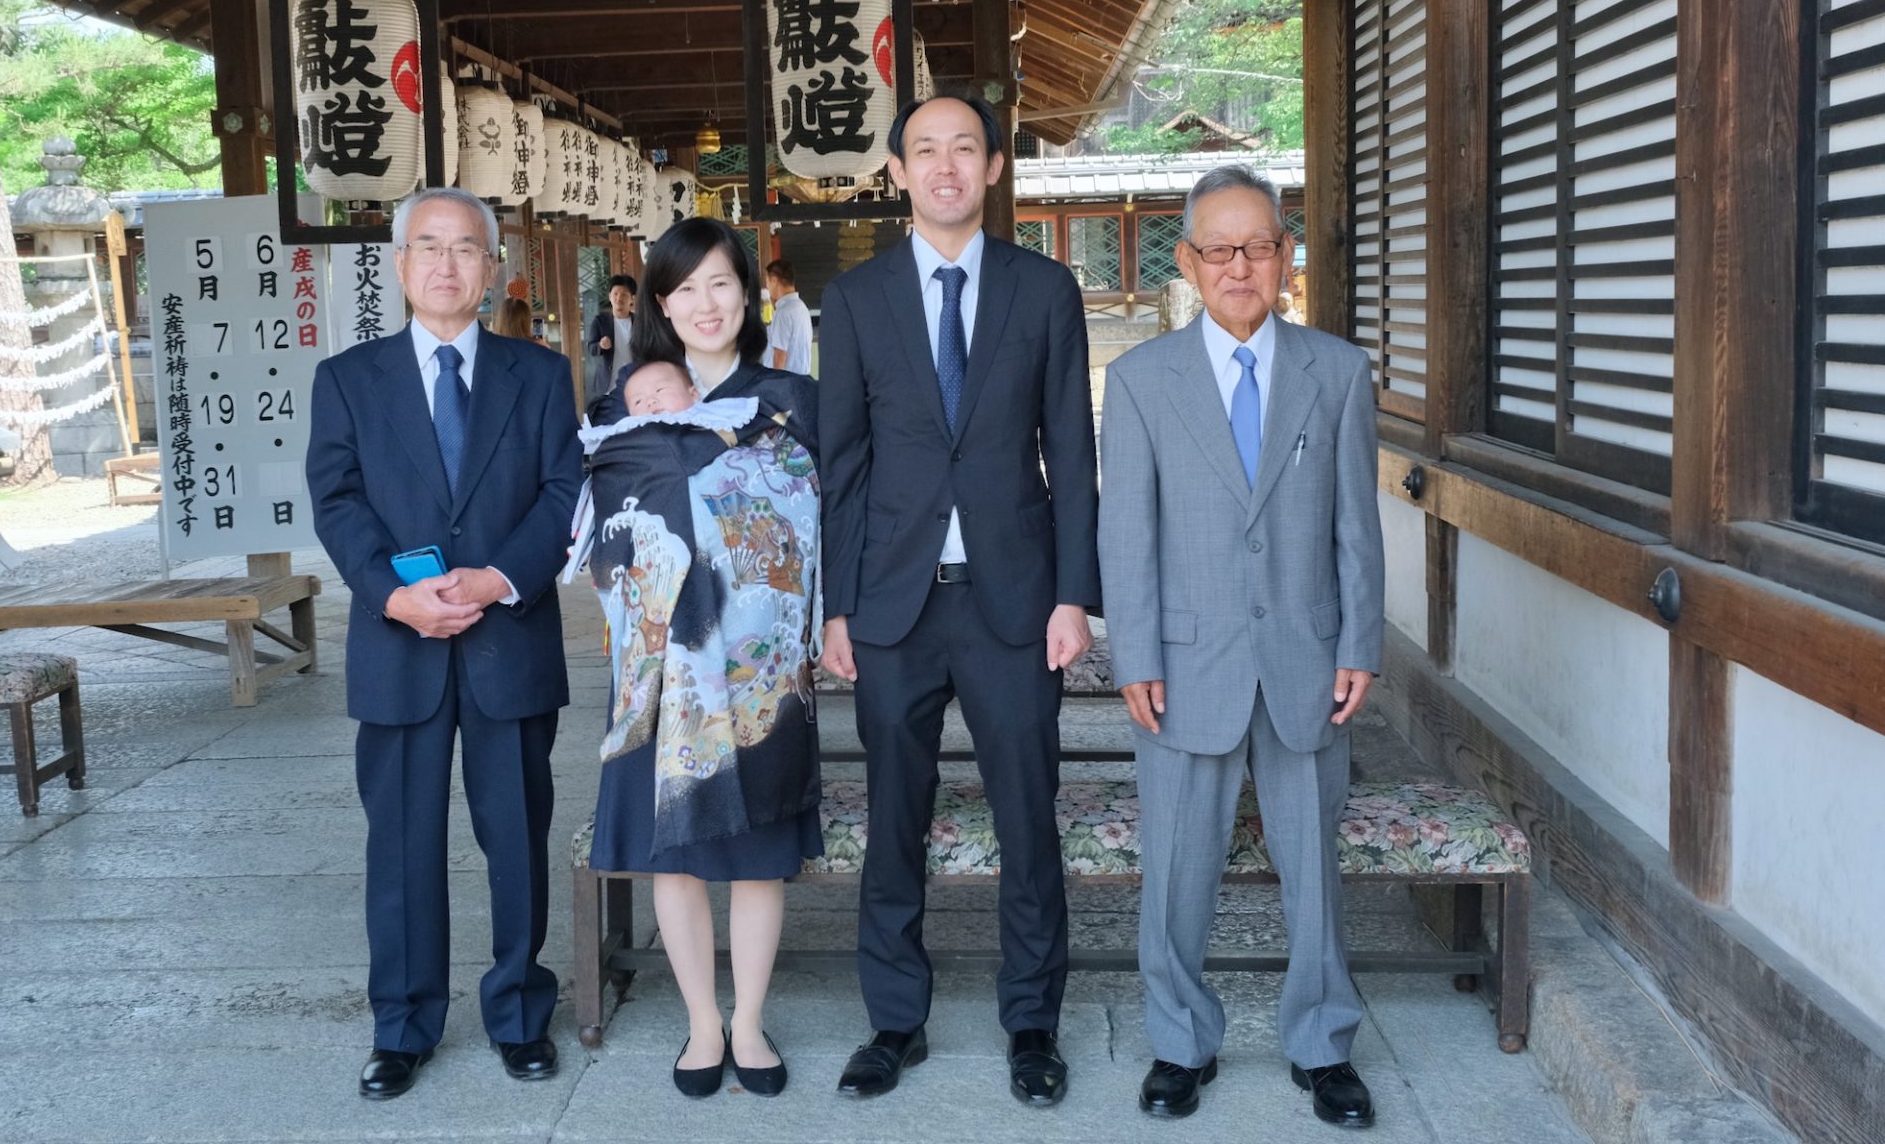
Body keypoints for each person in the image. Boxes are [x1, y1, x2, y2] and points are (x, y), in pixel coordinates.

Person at [818, 92, 1100, 1107]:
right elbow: (842, 465)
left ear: (990, 168)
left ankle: (1033, 1022)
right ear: (896, 171)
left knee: (1030, 817)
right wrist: (837, 608)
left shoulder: (1044, 290)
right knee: (896, 816)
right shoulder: (853, 302)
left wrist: (1076, 597)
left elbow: (1071, 449)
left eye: (963, 148)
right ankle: (896, 1019)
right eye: (923, 150)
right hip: (893, 606)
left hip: (1015, 602)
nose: (944, 165)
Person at [1096, 164, 1383, 1127]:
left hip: (1307, 653)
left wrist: (1361, 638)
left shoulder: (1336, 371)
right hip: (1182, 661)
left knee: (1313, 865)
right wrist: (1132, 653)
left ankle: (1322, 1041)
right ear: (1186, 260)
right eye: (1217, 249)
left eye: (1258, 245)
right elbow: (1125, 531)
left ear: (1285, 256)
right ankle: (1179, 1040)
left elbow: (1356, 526)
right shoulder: (1140, 381)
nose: (1239, 266)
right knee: (1178, 863)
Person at [306, 186, 580, 1101]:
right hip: (401, 650)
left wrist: (499, 577)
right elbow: (338, 502)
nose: (448, 264)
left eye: (467, 248)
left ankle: (518, 1011)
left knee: (518, 840)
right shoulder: (348, 379)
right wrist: (393, 595)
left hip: (510, 640)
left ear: (491, 264)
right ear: (399, 264)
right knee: (403, 846)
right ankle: (404, 1025)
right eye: (429, 247)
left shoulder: (537, 374)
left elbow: (560, 493)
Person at [584, 216, 822, 1100]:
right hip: (659, 668)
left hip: (762, 667)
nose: (704, 303)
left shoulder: (792, 399)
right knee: (673, 845)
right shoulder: (621, 408)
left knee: (758, 849)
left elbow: (815, 515)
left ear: (748, 291)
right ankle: (700, 1022)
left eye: (720, 282)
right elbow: (603, 529)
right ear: (659, 304)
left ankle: (750, 1019)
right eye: (683, 289)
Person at [586, 274, 638, 401]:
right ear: (609, 296)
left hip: (635, 384)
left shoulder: (640, 322)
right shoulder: (600, 321)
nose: (619, 298)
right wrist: (600, 345)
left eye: (624, 295)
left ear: (632, 299)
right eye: (615, 294)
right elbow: (591, 348)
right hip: (607, 385)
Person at [764, 259, 813, 375]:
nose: (767, 287)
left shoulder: (783, 312)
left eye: (767, 282)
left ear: (774, 280)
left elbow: (780, 354)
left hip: (786, 382)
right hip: (800, 378)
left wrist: (776, 385)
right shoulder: (801, 307)